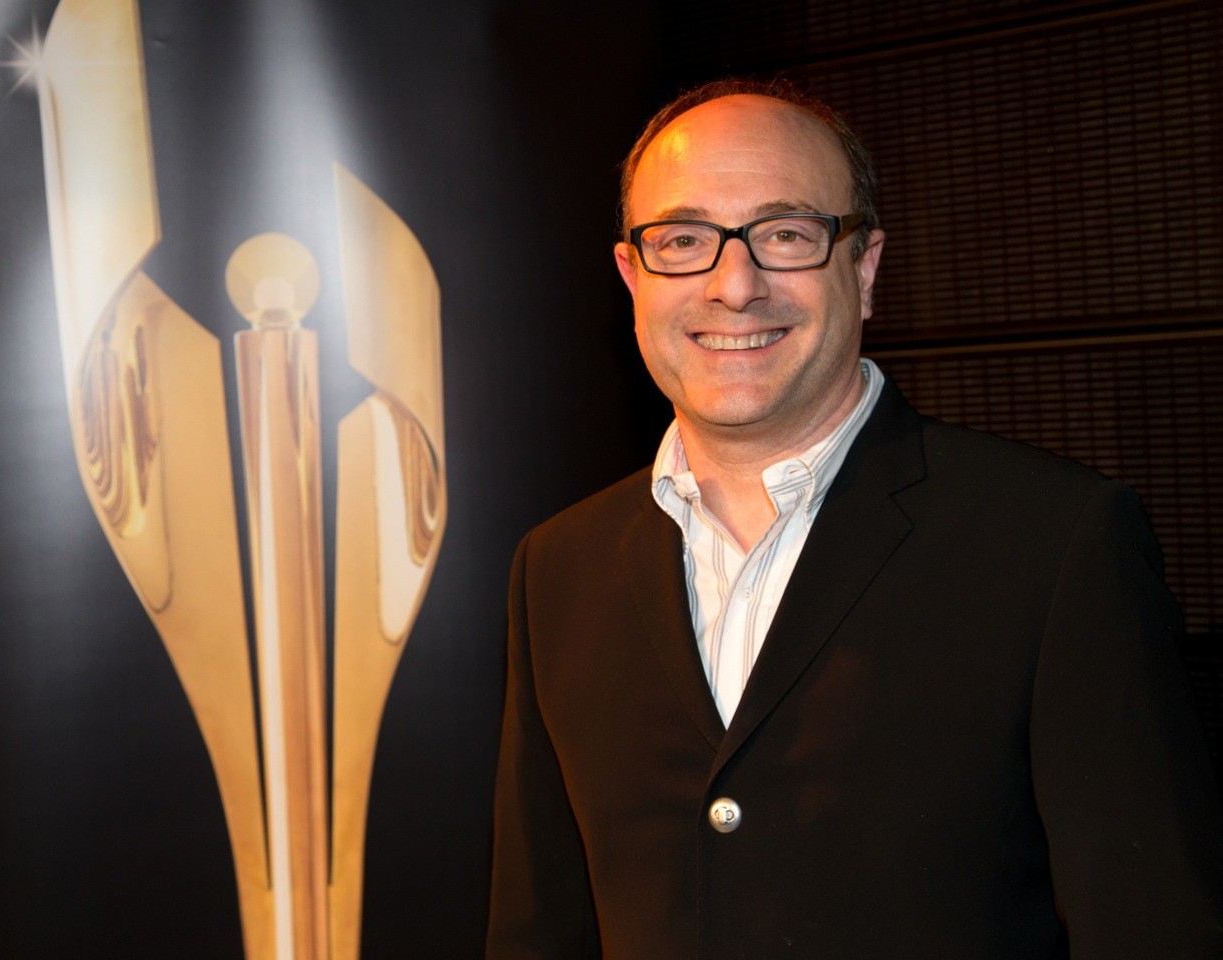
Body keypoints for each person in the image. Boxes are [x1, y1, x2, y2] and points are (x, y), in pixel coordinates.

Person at [486, 78, 1223, 959]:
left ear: (865, 268)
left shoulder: (1055, 544)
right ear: (630, 275)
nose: (734, 285)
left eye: (785, 235)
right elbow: (539, 930)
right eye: (683, 241)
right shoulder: (558, 567)